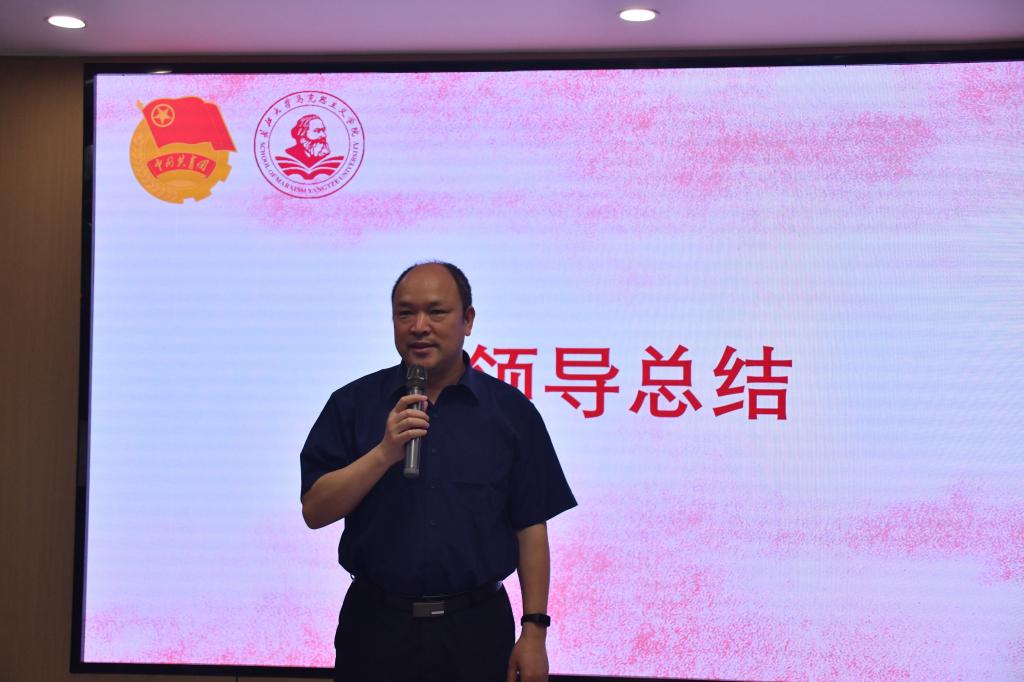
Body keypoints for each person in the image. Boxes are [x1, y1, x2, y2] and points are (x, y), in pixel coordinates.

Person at [300, 261, 577, 682]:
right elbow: (315, 511)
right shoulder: (352, 404)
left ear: (468, 320)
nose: (419, 327)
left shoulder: (510, 413)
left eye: (436, 312)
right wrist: (384, 453)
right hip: (375, 626)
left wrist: (534, 630)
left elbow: (530, 527)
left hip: (476, 629)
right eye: (405, 313)